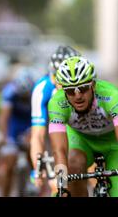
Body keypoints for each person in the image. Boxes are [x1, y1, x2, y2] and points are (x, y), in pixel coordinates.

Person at [49, 56, 118, 196]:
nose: (78, 96)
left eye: (83, 88)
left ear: (93, 85)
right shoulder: (57, 103)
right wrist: (62, 186)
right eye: (71, 91)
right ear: (64, 91)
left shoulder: (111, 95)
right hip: (80, 141)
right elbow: (59, 150)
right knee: (72, 166)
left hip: (113, 144)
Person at [29, 45, 80, 193]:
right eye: (59, 76)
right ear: (52, 75)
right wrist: (37, 167)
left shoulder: (84, 87)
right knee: (58, 185)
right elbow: (37, 135)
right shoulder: (42, 89)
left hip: (79, 133)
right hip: (53, 138)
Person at [0, 68, 35, 196]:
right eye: (22, 97)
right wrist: (5, 137)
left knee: (33, 148)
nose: (24, 99)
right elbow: (4, 118)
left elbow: (42, 119)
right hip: (13, 127)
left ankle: (33, 177)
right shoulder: (9, 92)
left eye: (26, 97)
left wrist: (33, 135)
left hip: (30, 124)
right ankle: (3, 193)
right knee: (8, 163)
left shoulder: (36, 92)